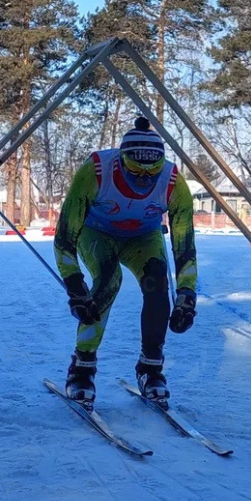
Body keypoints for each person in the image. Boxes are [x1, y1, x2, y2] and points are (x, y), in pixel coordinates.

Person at [54, 116, 197, 408]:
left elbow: (184, 245)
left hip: (143, 238)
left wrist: (186, 295)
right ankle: (81, 368)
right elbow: (65, 236)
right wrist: (74, 284)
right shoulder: (94, 172)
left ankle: (151, 368)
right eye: (134, 173)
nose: (143, 180)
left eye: (150, 175)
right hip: (97, 234)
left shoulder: (173, 182)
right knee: (108, 280)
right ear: (120, 161)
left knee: (157, 284)